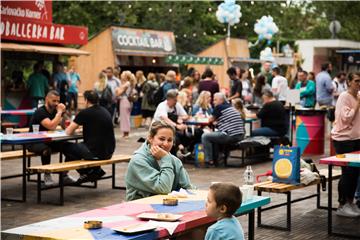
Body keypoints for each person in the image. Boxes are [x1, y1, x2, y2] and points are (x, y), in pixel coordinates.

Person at [125, 121, 194, 201]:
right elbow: (163, 189)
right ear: (150, 138)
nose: (165, 144)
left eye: (170, 140)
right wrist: (165, 159)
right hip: (140, 208)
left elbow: (188, 188)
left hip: (167, 208)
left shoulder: (175, 161)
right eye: (162, 139)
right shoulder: (138, 161)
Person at [65, 90, 116, 184]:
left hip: (95, 153)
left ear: (86, 100)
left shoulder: (85, 113)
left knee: (67, 147)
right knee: (77, 148)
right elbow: (96, 127)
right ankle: (95, 170)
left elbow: (68, 131)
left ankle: (85, 172)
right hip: (109, 152)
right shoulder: (105, 111)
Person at [331, 72, 360, 217]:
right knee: (348, 173)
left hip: (356, 139)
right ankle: (342, 204)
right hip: (343, 140)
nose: (359, 84)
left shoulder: (358, 96)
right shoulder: (344, 97)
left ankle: (350, 201)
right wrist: (358, 104)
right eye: (356, 81)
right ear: (349, 82)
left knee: (355, 173)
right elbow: (346, 118)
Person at [27, 91, 67, 186]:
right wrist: (59, 112)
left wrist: (63, 113)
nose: (56, 103)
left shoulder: (55, 111)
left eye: (58, 101)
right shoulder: (40, 111)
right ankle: (47, 175)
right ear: (46, 99)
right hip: (33, 141)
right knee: (46, 150)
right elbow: (51, 126)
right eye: (54, 101)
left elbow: (64, 126)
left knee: (68, 146)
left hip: (48, 140)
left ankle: (65, 175)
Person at [202, 93, 245, 166]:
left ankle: (208, 160)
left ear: (221, 100)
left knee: (205, 136)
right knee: (214, 136)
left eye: (215, 100)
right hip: (240, 135)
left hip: (230, 135)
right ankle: (217, 158)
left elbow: (210, 120)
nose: (213, 102)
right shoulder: (230, 107)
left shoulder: (219, 107)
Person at [116, 71, 136, 138]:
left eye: (122, 74)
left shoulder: (127, 83)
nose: (121, 75)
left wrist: (117, 90)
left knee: (125, 117)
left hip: (125, 100)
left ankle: (126, 133)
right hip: (128, 101)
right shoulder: (129, 83)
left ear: (125, 76)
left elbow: (119, 93)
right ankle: (125, 133)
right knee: (126, 117)